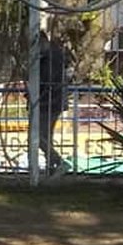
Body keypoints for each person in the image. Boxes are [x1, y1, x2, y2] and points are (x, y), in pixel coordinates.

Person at [37, 29, 70, 175]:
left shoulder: (49, 57)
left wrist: (34, 91)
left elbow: (47, 79)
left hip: (48, 100)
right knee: (45, 136)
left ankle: (59, 162)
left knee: (38, 136)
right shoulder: (55, 53)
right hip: (52, 100)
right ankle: (52, 166)